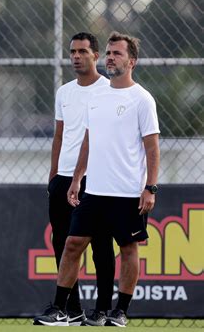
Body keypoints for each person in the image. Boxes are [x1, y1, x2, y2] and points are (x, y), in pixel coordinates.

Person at [37, 31, 160, 327]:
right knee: (72, 243)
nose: (110, 58)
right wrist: (77, 178)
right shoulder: (97, 97)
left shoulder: (142, 99)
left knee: (128, 249)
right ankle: (60, 308)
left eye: (116, 54)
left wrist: (150, 187)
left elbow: (152, 146)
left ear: (132, 61)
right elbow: (87, 141)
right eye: (108, 53)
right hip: (94, 191)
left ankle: (120, 310)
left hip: (128, 192)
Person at [34, 33, 116, 327]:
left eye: (83, 51)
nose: (76, 56)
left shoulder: (110, 90)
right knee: (62, 242)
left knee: (100, 244)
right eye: (72, 52)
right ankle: (73, 307)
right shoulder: (64, 92)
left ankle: (103, 309)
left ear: (96, 55)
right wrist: (54, 174)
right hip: (63, 178)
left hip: (97, 179)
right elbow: (59, 134)